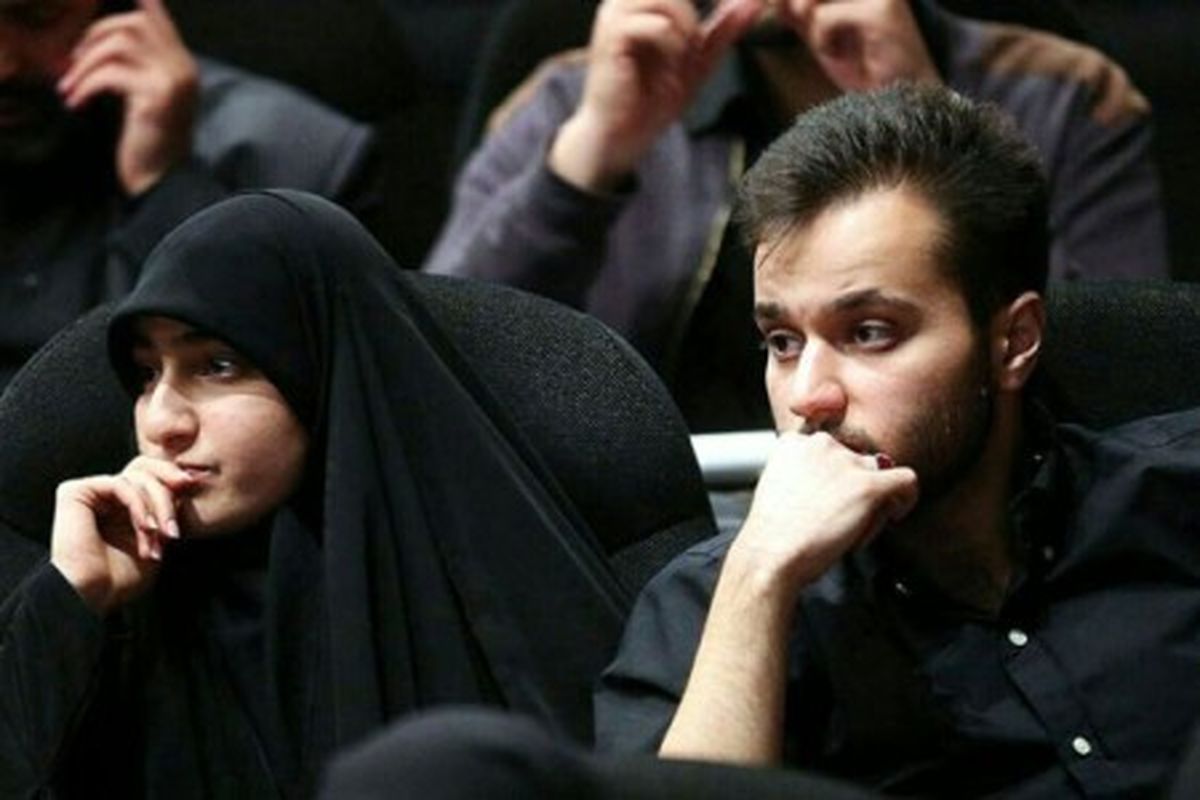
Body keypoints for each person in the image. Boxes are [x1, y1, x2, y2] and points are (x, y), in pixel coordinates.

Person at [319, 83, 1200, 799]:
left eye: (870, 333)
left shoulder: (1174, 496)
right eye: (781, 341)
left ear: (1012, 343)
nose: (809, 396)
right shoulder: (716, 606)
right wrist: (760, 581)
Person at [0, 191, 629, 797]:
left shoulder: (494, 601)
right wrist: (70, 601)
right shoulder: (118, 612)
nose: (162, 422)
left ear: (322, 372)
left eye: (217, 366)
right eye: (146, 374)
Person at [424, 0, 1170, 432]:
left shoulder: (1064, 95)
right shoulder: (572, 100)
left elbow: (1125, 391)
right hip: (655, 534)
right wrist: (589, 158)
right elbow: (430, 368)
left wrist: (928, 116)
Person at [0, 0, 377, 390]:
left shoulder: (293, 158)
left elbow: (261, 387)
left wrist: (163, 185)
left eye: (39, 17)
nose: (5, 65)